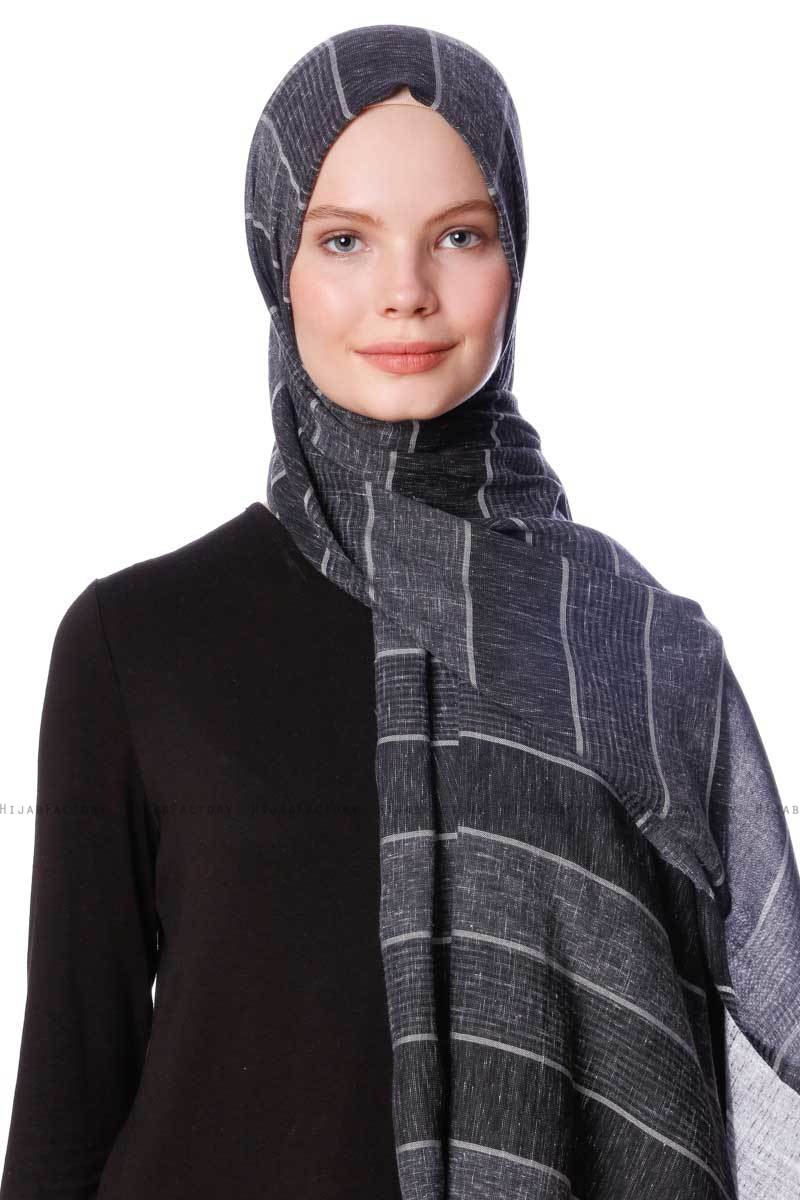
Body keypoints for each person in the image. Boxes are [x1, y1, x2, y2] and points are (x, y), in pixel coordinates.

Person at [2, 23, 798, 1200]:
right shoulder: (134, 642)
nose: (406, 293)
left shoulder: (636, 654)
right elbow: (65, 1116)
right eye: (344, 240)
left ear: (515, 254)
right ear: (277, 262)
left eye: (459, 236)